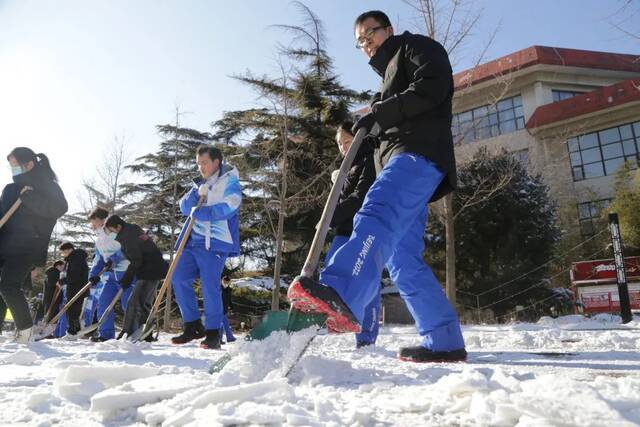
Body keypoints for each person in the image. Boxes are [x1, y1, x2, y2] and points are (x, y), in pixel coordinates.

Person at [288, 10, 466, 362]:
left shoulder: (416, 48)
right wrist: (365, 134)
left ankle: (341, 291)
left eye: (371, 33)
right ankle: (444, 339)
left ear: (389, 30)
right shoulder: (385, 81)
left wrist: (380, 112)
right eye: (361, 41)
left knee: (376, 213)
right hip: (405, 159)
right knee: (403, 259)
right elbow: (385, 127)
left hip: (417, 154)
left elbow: (432, 86)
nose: (367, 43)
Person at [171, 145, 242, 349]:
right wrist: (195, 196)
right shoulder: (199, 183)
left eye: (204, 163)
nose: (201, 167)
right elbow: (184, 207)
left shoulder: (230, 180)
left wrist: (203, 213)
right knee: (178, 277)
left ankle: (213, 332)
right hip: (192, 241)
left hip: (215, 243)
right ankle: (192, 325)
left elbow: (232, 204)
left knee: (209, 286)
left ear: (216, 162)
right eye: (198, 163)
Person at [0, 147, 68, 342]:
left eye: (15, 165)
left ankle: (25, 330)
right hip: (5, 244)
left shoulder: (46, 185)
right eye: (11, 165)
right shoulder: (12, 188)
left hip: (27, 245)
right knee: (2, 287)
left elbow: (59, 208)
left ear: (28, 164)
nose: (12, 169)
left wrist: (29, 198)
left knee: (9, 286)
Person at [325, 121, 380, 348]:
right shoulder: (343, 170)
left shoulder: (370, 160)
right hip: (343, 229)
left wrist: (330, 216)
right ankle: (335, 315)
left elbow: (360, 196)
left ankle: (366, 336)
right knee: (330, 266)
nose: (343, 147)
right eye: (339, 144)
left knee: (366, 279)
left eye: (347, 141)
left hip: (364, 228)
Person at [104, 214, 167, 340]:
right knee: (143, 302)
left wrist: (127, 277)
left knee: (136, 302)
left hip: (150, 270)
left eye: (112, 229)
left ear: (118, 226)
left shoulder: (127, 237)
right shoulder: (131, 230)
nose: (111, 232)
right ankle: (144, 333)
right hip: (152, 268)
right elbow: (130, 252)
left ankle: (134, 332)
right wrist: (113, 260)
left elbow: (136, 260)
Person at [86, 207, 134, 341]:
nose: (92, 225)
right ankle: (106, 334)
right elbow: (99, 258)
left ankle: (134, 332)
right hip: (111, 275)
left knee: (128, 304)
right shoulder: (99, 240)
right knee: (103, 302)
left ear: (102, 220)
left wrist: (114, 259)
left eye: (94, 221)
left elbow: (128, 248)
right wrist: (94, 274)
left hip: (127, 272)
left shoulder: (117, 232)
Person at [58, 242, 89, 337]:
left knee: (73, 310)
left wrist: (62, 281)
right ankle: (74, 330)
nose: (63, 254)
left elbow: (74, 276)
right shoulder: (72, 259)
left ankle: (73, 331)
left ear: (69, 250)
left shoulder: (76, 258)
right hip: (74, 288)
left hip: (77, 288)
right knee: (72, 310)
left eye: (63, 252)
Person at [220, 276, 236, 344]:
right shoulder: (218, 288)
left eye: (227, 282)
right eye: (224, 282)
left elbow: (229, 300)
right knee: (222, 324)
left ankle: (226, 338)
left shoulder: (229, 289)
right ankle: (228, 338)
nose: (226, 283)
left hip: (224, 309)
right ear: (222, 281)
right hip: (218, 308)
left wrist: (232, 307)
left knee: (223, 324)